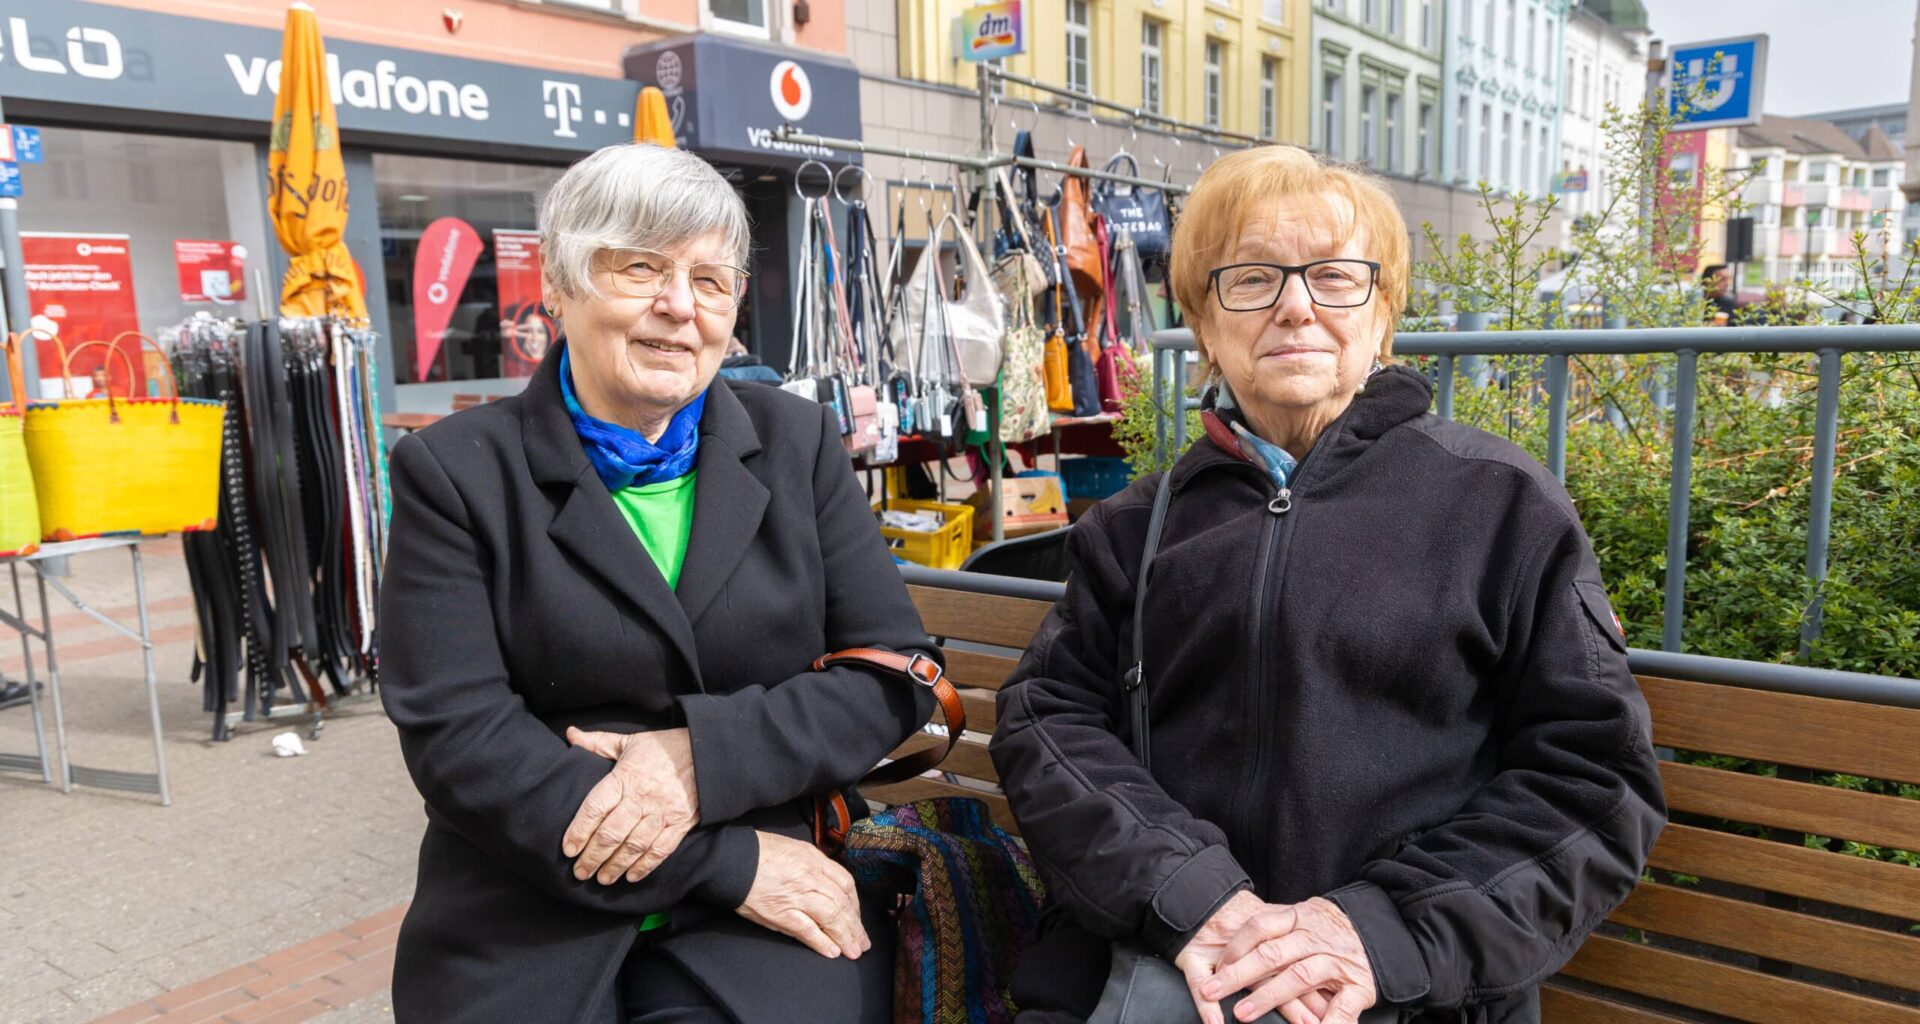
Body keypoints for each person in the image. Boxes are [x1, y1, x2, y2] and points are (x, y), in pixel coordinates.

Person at [991, 145, 1666, 1024]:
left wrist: (1373, 933)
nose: (1296, 307)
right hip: (1160, 962)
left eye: (1335, 278)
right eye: (1252, 279)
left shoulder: (1499, 503)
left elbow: (1596, 779)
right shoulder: (1136, 525)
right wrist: (1193, 896)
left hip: (1406, 988)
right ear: (1204, 325)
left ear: (1382, 317)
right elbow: (1048, 719)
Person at [379, 143, 938, 1024]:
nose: (679, 307)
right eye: (640, 268)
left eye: (711, 281)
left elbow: (893, 673)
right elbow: (459, 740)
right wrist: (725, 862)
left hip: (764, 906)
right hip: (536, 896)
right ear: (558, 288)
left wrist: (698, 760)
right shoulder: (453, 473)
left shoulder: (794, 442)